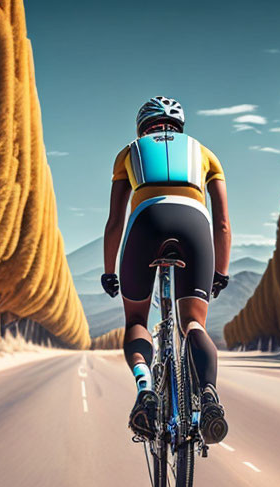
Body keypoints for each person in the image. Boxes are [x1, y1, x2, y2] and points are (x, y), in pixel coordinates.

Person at [101, 95, 231, 444]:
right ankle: (207, 396)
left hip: (147, 221)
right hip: (195, 225)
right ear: (180, 128)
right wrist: (220, 271)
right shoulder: (205, 154)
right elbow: (222, 224)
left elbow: (115, 222)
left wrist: (108, 271)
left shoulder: (130, 151)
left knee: (137, 322)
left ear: (142, 127)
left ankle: (145, 388)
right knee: (192, 323)